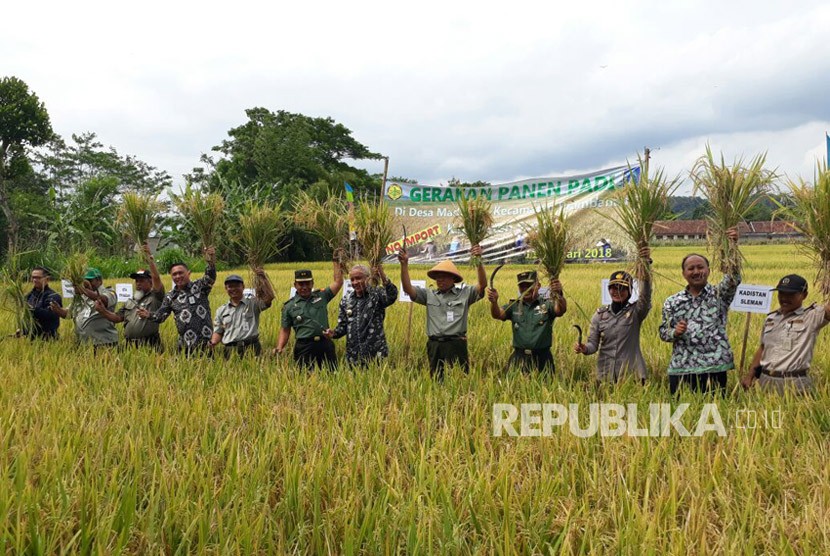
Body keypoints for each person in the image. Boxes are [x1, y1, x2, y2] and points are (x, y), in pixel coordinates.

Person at [659, 228, 741, 395]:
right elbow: (663, 332)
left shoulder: (720, 295)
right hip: (682, 368)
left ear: (708, 270)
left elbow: (733, 278)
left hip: (714, 366)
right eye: (691, 268)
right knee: (682, 416)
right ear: (684, 273)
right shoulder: (672, 302)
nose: (696, 272)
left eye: (700, 267)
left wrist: (732, 247)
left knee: (715, 414)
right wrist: (675, 332)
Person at [399, 244, 487, 379]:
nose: (440, 280)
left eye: (445, 276)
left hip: (456, 344)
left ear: (453, 279)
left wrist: (478, 259)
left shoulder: (464, 293)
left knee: (459, 381)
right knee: (436, 381)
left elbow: (482, 285)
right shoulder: (429, 295)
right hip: (435, 345)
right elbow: (408, 289)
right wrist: (404, 265)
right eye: (438, 277)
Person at [741, 274, 830, 394]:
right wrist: (750, 375)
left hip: (795, 384)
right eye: (781, 293)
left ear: (804, 295)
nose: (784, 298)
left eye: (791, 294)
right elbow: (763, 348)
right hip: (765, 381)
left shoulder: (811, 317)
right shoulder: (770, 319)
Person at [575, 247, 653, 383]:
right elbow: (593, 344)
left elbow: (645, 295)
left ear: (629, 291)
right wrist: (584, 348)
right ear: (609, 290)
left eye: (622, 288)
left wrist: (644, 266)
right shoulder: (600, 315)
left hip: (631, 375)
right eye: (613, 287)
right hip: (605, 374)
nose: (617, 291)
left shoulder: (636, 312)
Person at [137, 247, 216, 355]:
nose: (178, 276)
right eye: (174, 274)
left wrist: (210, 259)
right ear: (171, 277)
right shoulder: (170, 296)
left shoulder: (199, 287)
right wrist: (148, 314)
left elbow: (210, 276)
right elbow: (160, 316)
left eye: (180, 273)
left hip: (207, 344)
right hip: (184, 347)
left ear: (188, 273)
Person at [488, 270, 566, 373]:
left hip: (542, 358)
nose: (526, 289)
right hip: (519, 358)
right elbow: (497, 314)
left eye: (529, 285)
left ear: (538, 285)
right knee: (515, 388)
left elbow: (560, 310)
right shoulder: (514, 306)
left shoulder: (547, 304)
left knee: (546, 388)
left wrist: (559, 294)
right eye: (522, 286)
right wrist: (494, 302)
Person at [274, 256, 344, 369]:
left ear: (312, 283)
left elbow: (338, 282)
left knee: (332, 376)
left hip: (324, 343)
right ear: (295, 285)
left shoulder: (322, 296)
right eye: (301, 284)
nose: (304, 287)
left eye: (307, 283)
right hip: (304, 346)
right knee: (304, 378)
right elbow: (285, 329)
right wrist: (280, 347)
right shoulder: (289, 306)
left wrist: (336, 260)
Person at [93, 243, 165, 350]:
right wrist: (102, 311)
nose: (138, 283)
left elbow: (157, 278)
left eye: (142, 281)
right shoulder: (130, 301)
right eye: (136, 281)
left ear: (150, 282)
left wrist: (150, 258)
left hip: (150, 345)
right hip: (129, 345)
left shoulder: (156, 296)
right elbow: (117, 318)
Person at [328, 263, 397, 366]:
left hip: (375, 354)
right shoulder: (346, 300)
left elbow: (391, 295)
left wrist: (382, 275)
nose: (355, 282)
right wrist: (333, 333)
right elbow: (343, 326)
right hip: (353, 355)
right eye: (352, 279)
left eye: (359, 278)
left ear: (367, 278)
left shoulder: (376, 294)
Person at [210, 269, 275, 357]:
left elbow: (269, 297)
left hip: (251, 347)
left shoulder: (253, 303)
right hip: (230, 350)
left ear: (243, 287)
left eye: (237, 286)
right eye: (230, 286)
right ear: (226, 289)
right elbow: (218, 331)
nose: (233, 289)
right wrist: (213, 343)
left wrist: (263, 278)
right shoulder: (221, 310)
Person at [49, 268, 118, 349]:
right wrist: (58, 310)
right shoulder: (81, 297)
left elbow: (104, 300)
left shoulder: (109, 291)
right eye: (84, 281)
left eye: (89, 280)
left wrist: (84, 290)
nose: (86, 283)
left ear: (99, 280)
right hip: (83, 344)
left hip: (104, 343)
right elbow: (68, 314)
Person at [23, 266, 62, 340]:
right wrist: (22, 329)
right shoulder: (28, 296)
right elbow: (26, 317)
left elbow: (50, 314)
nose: (35, 280)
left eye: (38, 278)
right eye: (33, 277)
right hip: (30, 338)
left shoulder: (53, 296)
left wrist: (32, 309)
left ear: (47, 279)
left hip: (48, 338)